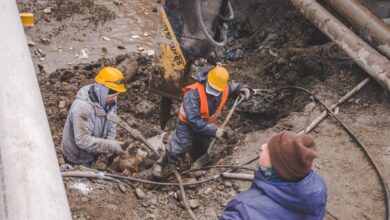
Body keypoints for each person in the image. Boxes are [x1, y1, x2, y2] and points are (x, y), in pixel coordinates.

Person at [152, 66, 251, 178]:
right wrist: (214, 130)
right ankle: (164, 162)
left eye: (216, 90)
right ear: (207, 80)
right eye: (212, 88)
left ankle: (193, 162)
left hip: (205, 125)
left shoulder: (223, 88)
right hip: (188, 124)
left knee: (203, 148)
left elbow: (233, 87)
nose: (213, 92)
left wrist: (243, 88)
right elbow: (194, 121)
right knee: (180, 145)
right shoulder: (193, 93)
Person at [220, 131, 327, 220]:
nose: (263, 146)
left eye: (269, 150)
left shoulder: (243, 211)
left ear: (275, 167)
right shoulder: (317, 188)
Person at [61, 67, 128, 167]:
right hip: (77, 156)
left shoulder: (110, 102)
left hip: (94, 150)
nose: (115, 99)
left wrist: (108, 149)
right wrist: (110, 146)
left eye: (117, 95)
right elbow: (82, 140)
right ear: (102, 90)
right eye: (113, 95)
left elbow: (111, 127)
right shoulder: (82, 108)